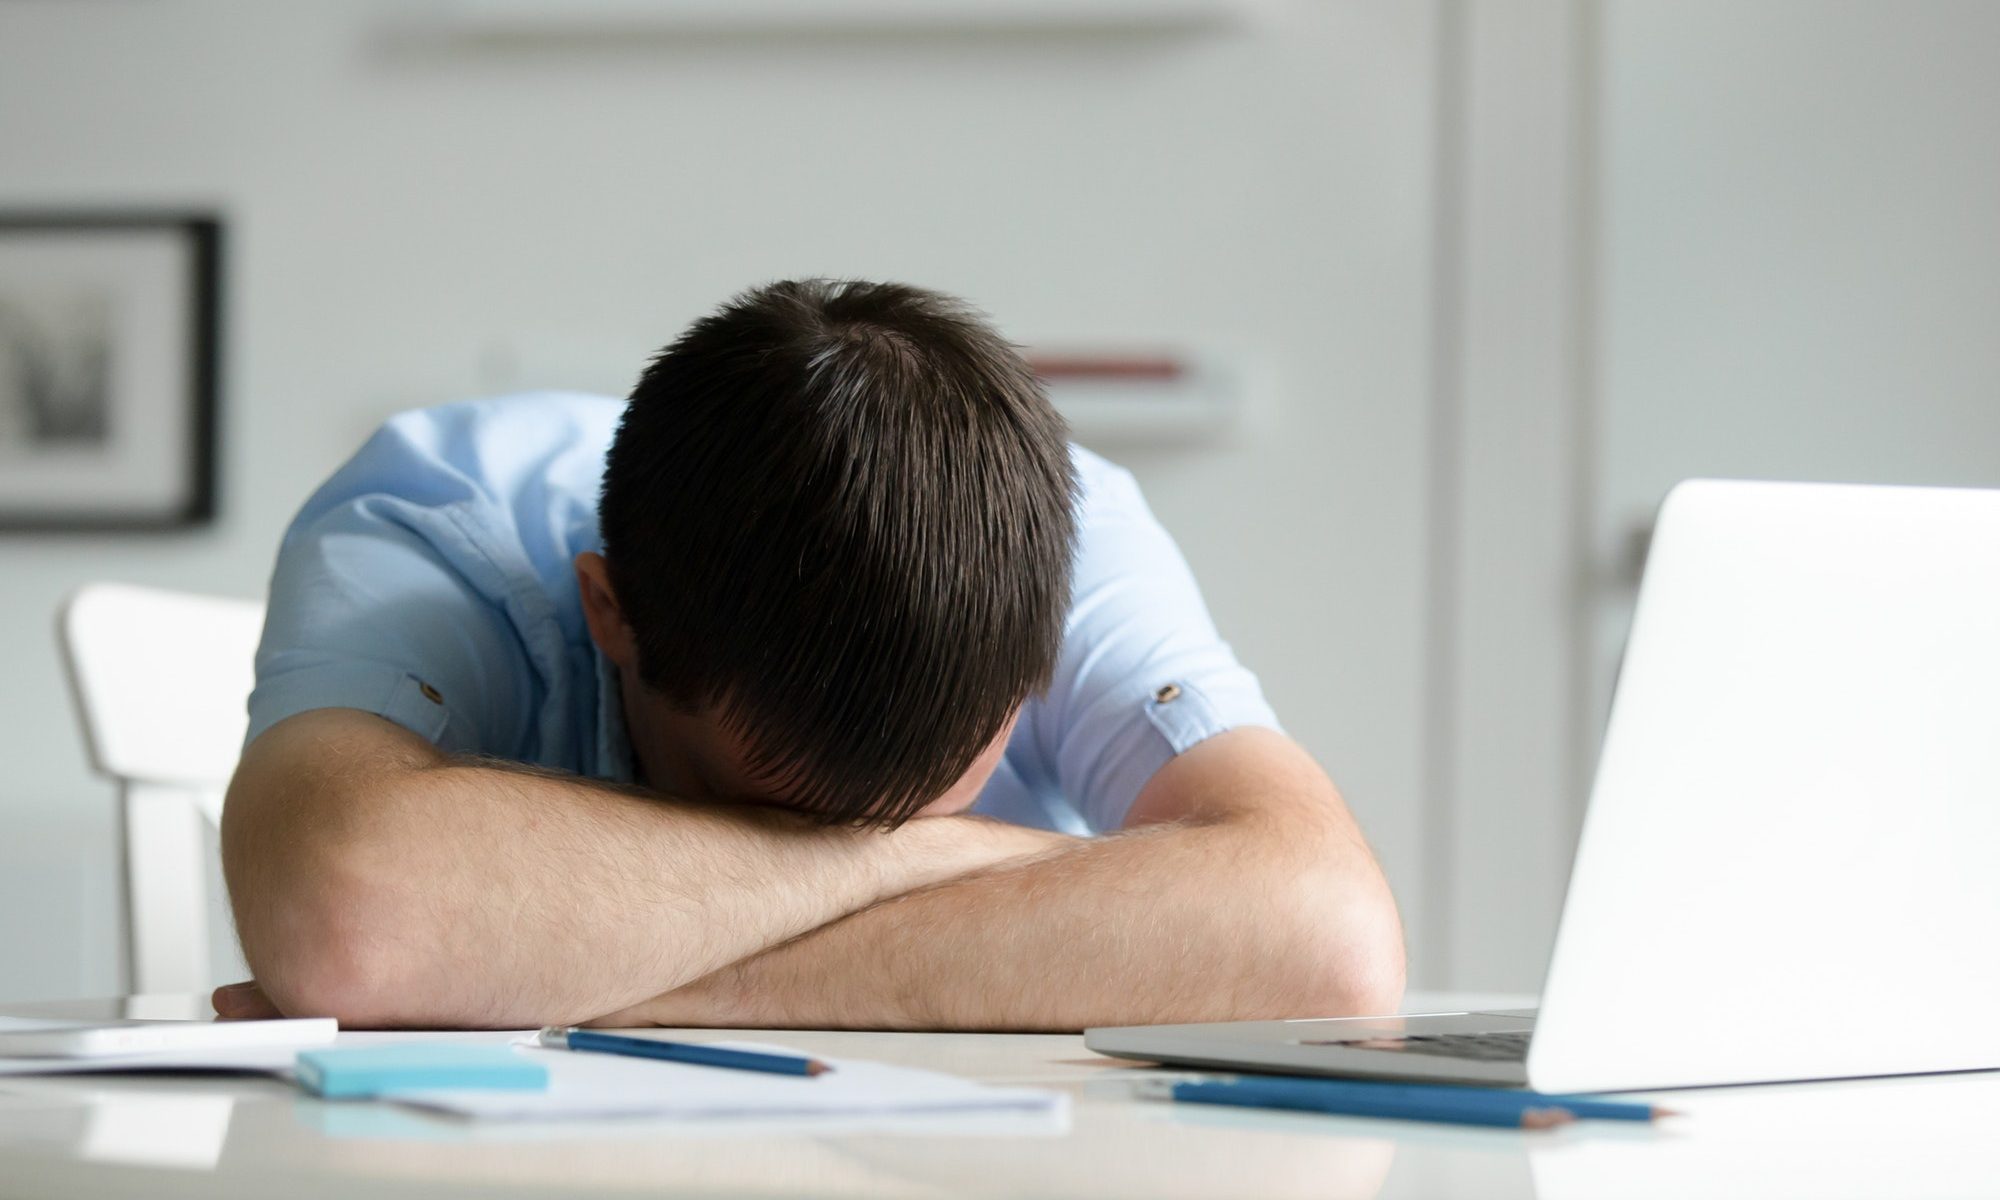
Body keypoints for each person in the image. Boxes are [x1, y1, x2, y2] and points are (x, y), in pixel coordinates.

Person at [214, 279, 1404, 1031]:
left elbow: (1328, 937)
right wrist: (983, 879)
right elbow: (349, 914)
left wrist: (619, 982)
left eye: (924, 818)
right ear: (609, 610)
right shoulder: (433, 524)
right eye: (770, 816)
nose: (861, 846)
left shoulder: (1063, 538)